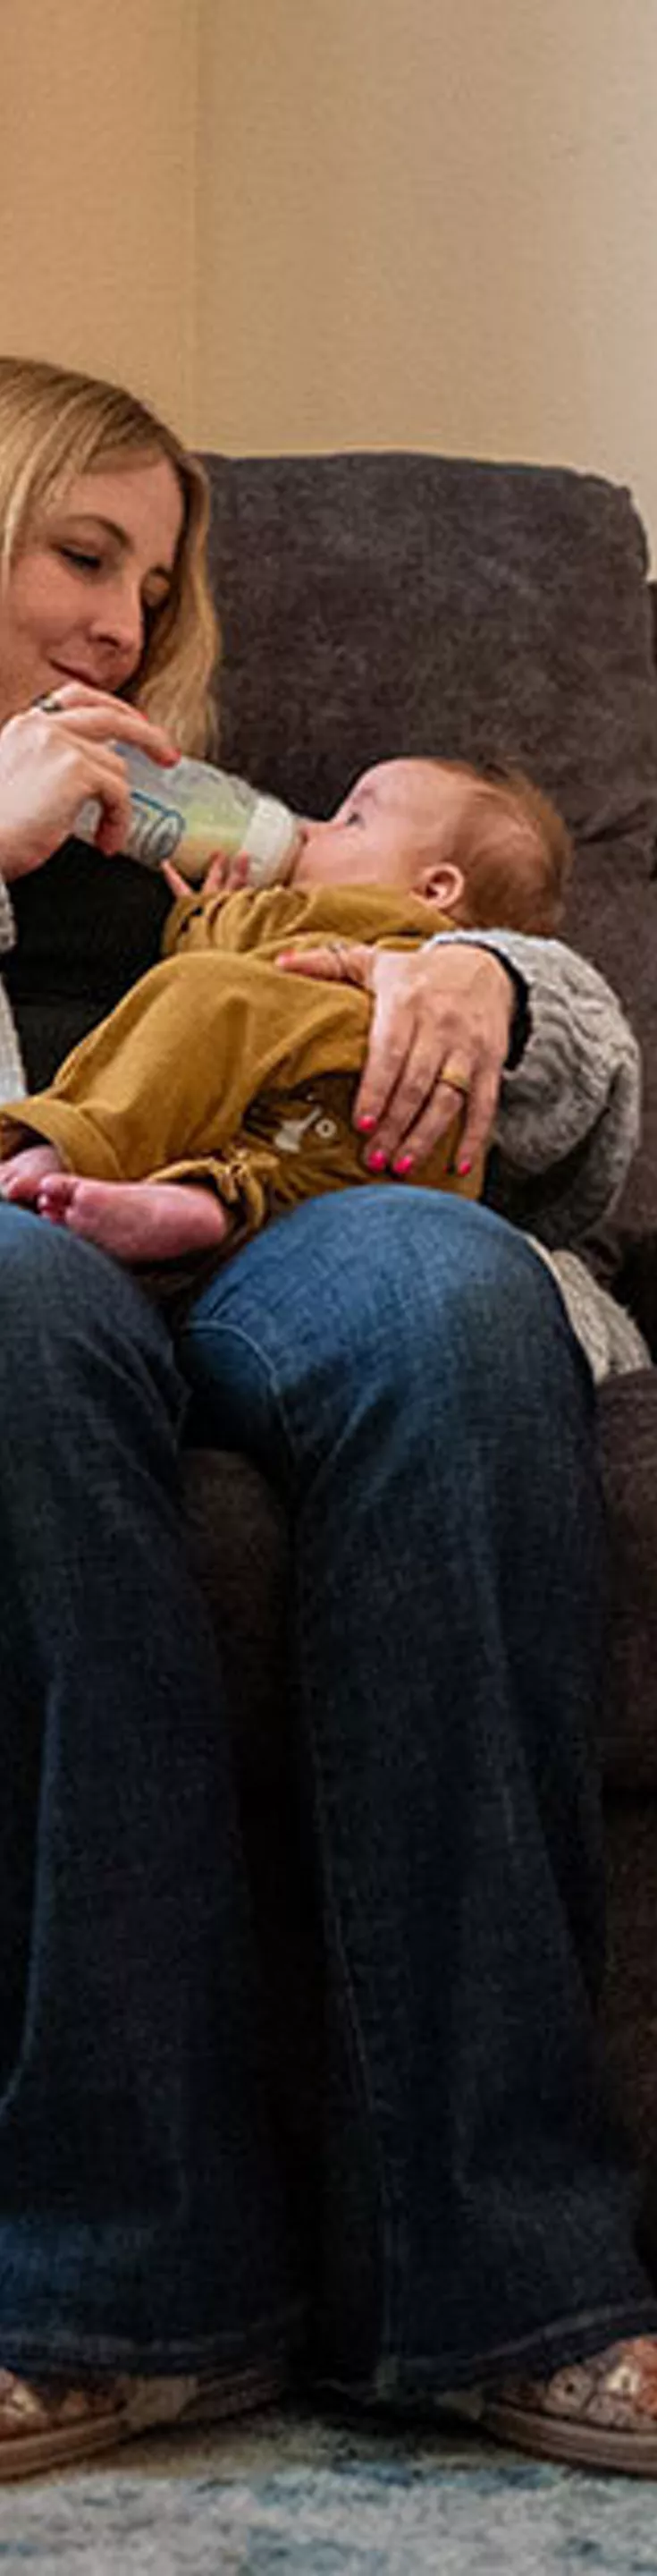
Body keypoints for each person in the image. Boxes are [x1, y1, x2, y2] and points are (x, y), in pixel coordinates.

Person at [0, 353, 653, 2482]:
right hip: (25, 1232)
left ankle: (508, 2285)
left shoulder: (204, 799)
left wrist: (487, 985)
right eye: (78, 552)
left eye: (153, 577)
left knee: (456, 1301)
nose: (122, 617)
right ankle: (117, 2284)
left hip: (288, 1210)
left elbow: (472, 934)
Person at [0, 752, 572, 1267]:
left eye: (350, 821)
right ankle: (209, 1207)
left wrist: (208, 913)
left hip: (332, 1057)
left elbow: (231, 963)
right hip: (418, 1152)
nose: (308, 829)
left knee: (204, 987)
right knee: (278, 1167)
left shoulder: (345, 917)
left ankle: (77, 1144)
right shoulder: (452, 982)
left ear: (435, 889)